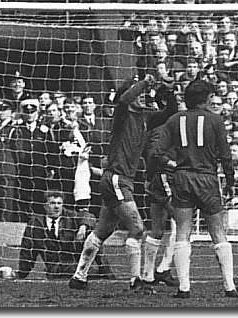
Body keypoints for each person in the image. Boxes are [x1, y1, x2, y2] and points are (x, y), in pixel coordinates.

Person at [68, 74, 177, 290]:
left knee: (102, 230)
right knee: (137, 228)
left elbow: (170, 112)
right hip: (117, 178)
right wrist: (146, 82)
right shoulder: (122, 114)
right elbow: (125, 99)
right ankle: (137, 280)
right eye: (139, 92)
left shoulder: (146, 118)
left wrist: (169, 90)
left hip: (119, 180)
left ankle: (79, 276)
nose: (143, 96)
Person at [156, 79, 238, 298]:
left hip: (182, 178)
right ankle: (229, 286)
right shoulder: (215, 120)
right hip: (207, 179)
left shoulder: (174, 120)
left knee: (183, 231)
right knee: (218, 232)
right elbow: (226, 156)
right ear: (207, 98)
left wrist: (173, 164)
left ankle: (184, 287)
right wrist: (230, 182)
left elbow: (158, 152)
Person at [141, 86, 179, 287]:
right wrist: (171, 164)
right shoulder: (161, 126)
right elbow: (153, 154)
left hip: (157, 178)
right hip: (164, 177)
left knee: (157, 228)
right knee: (181, 223)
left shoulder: (161, 124)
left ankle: (148, 274)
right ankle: (163, 268)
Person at [17, 191, 95, 279]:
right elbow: (27, 250)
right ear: (45, 205)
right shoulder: (35, 223)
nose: (56, 207)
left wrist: (83, 226)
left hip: (76, 267)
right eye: (52, 203)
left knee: (93, 236)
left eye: (59, 203)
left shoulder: (70, 216)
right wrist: (21, 274)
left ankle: (103, 271)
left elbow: (89, 216)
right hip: (55, 271)